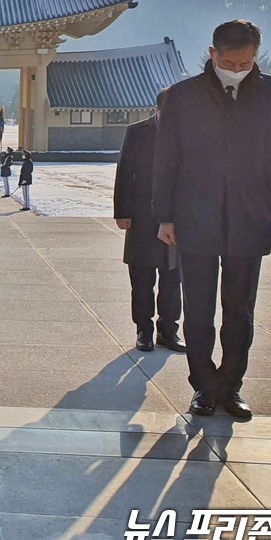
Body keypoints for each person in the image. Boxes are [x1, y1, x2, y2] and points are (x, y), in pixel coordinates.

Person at [153, 20, 271, 420]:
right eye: (230, 62)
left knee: (239, 309)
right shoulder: (184, 97)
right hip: (194, 215)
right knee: (197, 308)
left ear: (256, 57)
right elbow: (167, 160)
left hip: (252, 215)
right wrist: (164, 215)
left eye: (246, 63)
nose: (237, 70)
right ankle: (202, 385)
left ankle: (231, 386)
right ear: (212, 53)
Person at [114, 89, 185, 354]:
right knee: (142, 278)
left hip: (177, 218)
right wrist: (122, 212)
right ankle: (144, 330)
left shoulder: (188, 133)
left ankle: (169, 331)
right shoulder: (137, 132)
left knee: (172, 277)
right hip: (142, 215)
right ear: (157, 110)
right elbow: (125, 173)